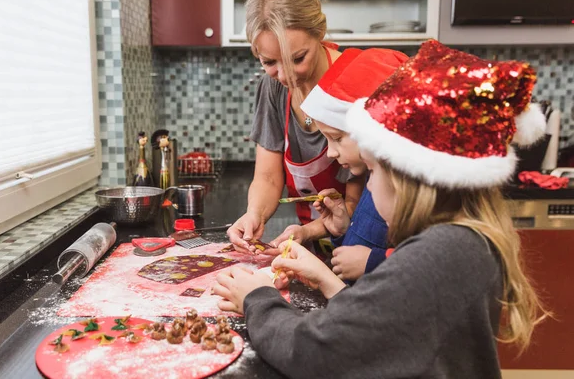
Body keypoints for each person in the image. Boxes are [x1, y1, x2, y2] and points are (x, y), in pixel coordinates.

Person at [213, 40, 548, 378]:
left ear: (407, 177)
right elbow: (387, 323)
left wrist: (258, 297)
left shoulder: (436, 256)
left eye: (373, 170)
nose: (369, 186)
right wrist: (328, 281)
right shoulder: (461, 243)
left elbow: (316, 352)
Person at [227, 0, 364, 253]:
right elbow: (267, 176)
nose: (286, 75)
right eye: (269, 62)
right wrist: (254, 214)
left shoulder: (355, 82)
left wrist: (308, 231)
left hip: (359, 248)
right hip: (309, 245)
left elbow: (358, 202)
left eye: (298, 58)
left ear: (320, 33)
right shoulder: (272, 87)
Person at [298, 47, 408, 282]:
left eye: (336, 138)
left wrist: (373, 262)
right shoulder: (374, 178)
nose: (330, 153)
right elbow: (365, 248)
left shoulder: (398, 190)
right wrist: (343, 230)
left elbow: (425, 266)